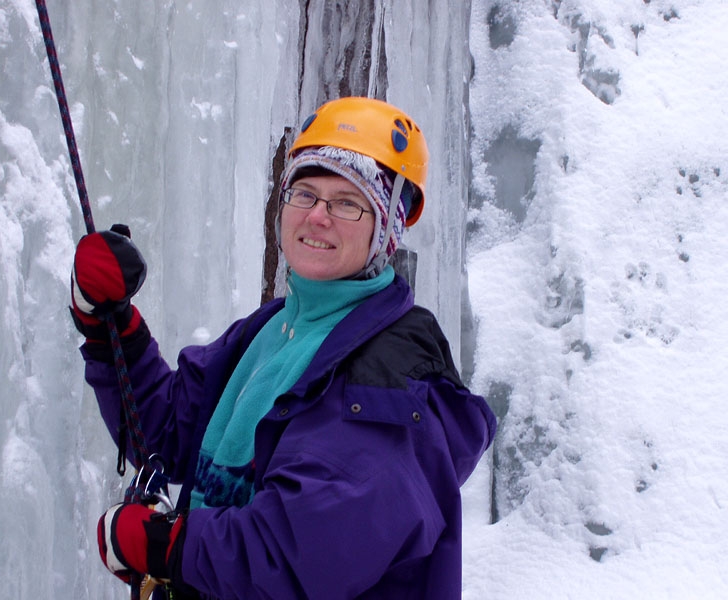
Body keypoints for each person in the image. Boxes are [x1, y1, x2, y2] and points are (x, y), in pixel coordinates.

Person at [71, 96, 497, 599]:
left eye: (347, 203)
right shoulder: (274, 328)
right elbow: (167, 431)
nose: (317, 217)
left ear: (385, 231)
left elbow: (298, 556)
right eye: (305, 193)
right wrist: (109, 322)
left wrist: (167, 546)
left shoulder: (393, 380)